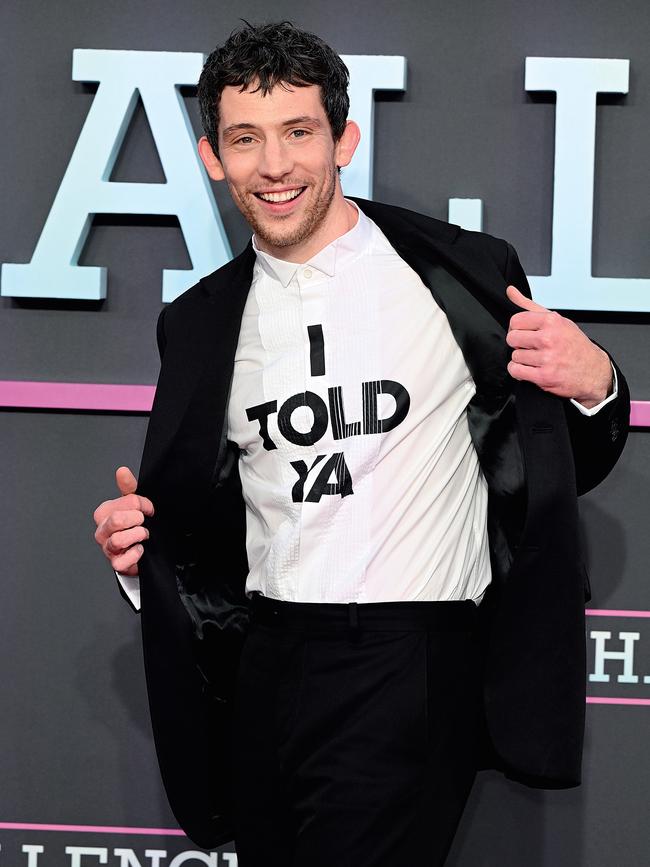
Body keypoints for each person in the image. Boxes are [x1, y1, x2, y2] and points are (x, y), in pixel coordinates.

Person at [92, 21, 629, 867]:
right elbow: (207, 518)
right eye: (245, 139)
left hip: (409, 664)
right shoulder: (196, 323)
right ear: (211, 158)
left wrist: (597, 378)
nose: (273, 166)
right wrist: (142, 558)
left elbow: (556, 464)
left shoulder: (459, 275)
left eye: (298, 133)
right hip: (264, 668)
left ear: (344, 139)